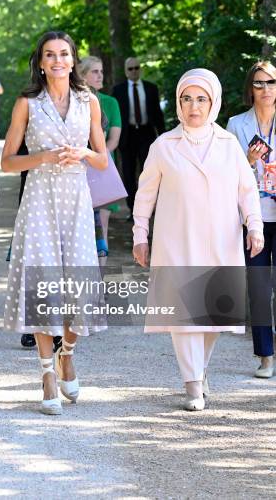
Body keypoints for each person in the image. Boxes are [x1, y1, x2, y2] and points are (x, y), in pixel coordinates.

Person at [133, 68, 264, 411]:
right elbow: (145, 196)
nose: (194, 106)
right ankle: (192, 383)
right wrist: (139, 235)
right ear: (178, 103)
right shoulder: (163, 145)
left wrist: (255, 227)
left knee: (214, 315)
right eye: (186, 99)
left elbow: (246, 191)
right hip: (176, 240)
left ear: (213, 102)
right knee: (183, 313)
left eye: (201, 99)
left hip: (222, 238)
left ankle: (201, 369)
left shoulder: (229, 144)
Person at [1, 30, 107, 415]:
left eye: (64, 54)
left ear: (73, 60)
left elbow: (102, 161)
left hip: (77, 202)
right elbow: (7, 161)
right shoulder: (27, 103)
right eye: (50, 55)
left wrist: (83, 152)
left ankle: (68, 355)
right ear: (41, 62)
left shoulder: (88, 101)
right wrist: (43, 158)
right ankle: (46, 372)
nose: (58, 60)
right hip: (41, 200)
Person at [227, 60, 276, 379]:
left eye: (271, 83)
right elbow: (227, 173)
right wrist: (248, 159)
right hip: (253, 217)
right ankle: (265, 356)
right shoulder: (236, 124)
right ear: (250, 88)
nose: (266, 89)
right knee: (258, 287)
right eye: (259, 83)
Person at [80, 56, 122, 264]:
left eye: (101, 71)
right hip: (75, 169)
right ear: (82, 75)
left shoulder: (110, 102)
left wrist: (97, 155)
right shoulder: (72, 101)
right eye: (94, 71)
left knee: (101, 227)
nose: (100, 75)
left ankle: (99, 284)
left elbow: (114, 138)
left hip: (102, 169)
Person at [113, 57, 165, 217]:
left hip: (146, 133)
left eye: (136, 68)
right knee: (128, 173)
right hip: (127, 136)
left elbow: (157, 113)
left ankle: (148, 208)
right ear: (125, 71)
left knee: (148, 171)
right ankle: (132, 208)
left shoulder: (151, 88)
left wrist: (163, 136)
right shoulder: (118, 90)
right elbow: (116, 116)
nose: (134, 71)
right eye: (130, 69)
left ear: (140, 69)